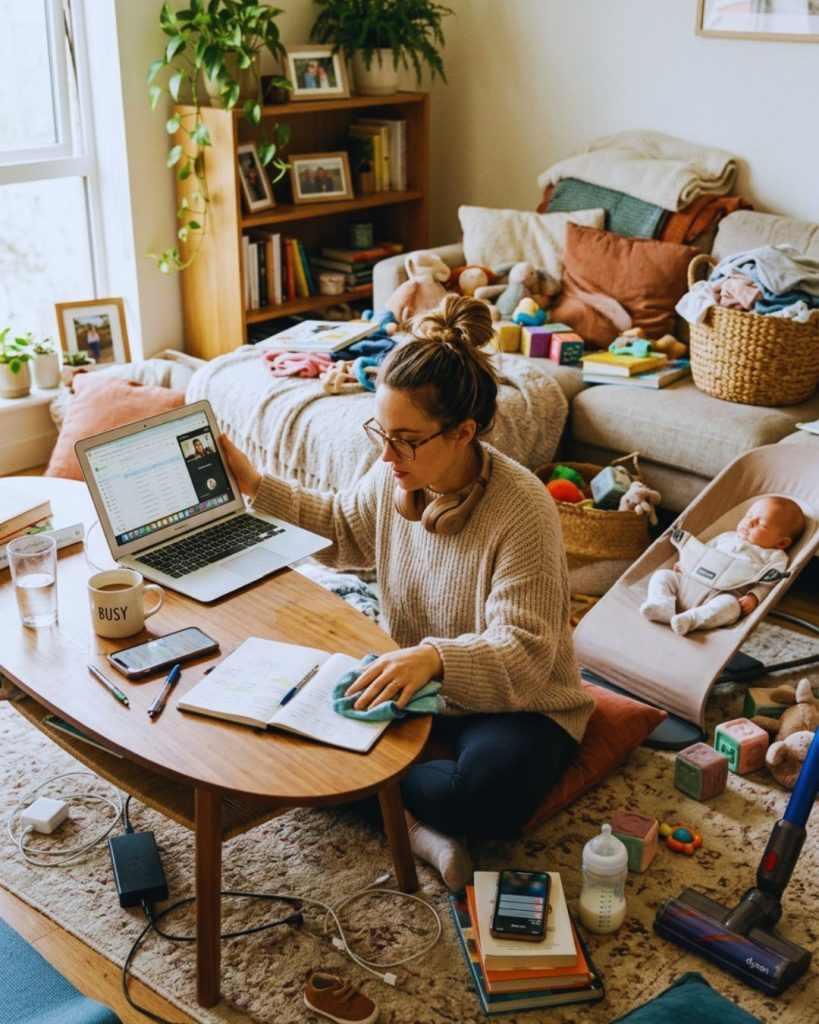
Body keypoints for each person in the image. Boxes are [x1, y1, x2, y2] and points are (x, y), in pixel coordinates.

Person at [219, 293, 594, 890]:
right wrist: (253, 482)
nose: (386, 453)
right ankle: (419, 828)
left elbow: (526, 654)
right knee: (293, 744)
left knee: (485, 797)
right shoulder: (397, 471)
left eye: (406, 439)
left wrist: (435, 657)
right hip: (417, 684)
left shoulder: (523, 508)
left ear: (464, 432)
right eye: (381, 432)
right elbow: (342, 529)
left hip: (519, 701)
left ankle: (399, 803)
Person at [640, 495, 805, 636]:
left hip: (721, 595)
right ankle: (662, 605)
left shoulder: (775, 556)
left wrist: (754, 597)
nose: (749, 523)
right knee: (662, 576)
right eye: (748, 516)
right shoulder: (726, 537)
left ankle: (692, 620)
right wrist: (685, 564)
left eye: (761, 524)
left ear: (782, 543)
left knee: (731, 607)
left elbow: (769, 583)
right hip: (687, 582)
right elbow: (701, 553)